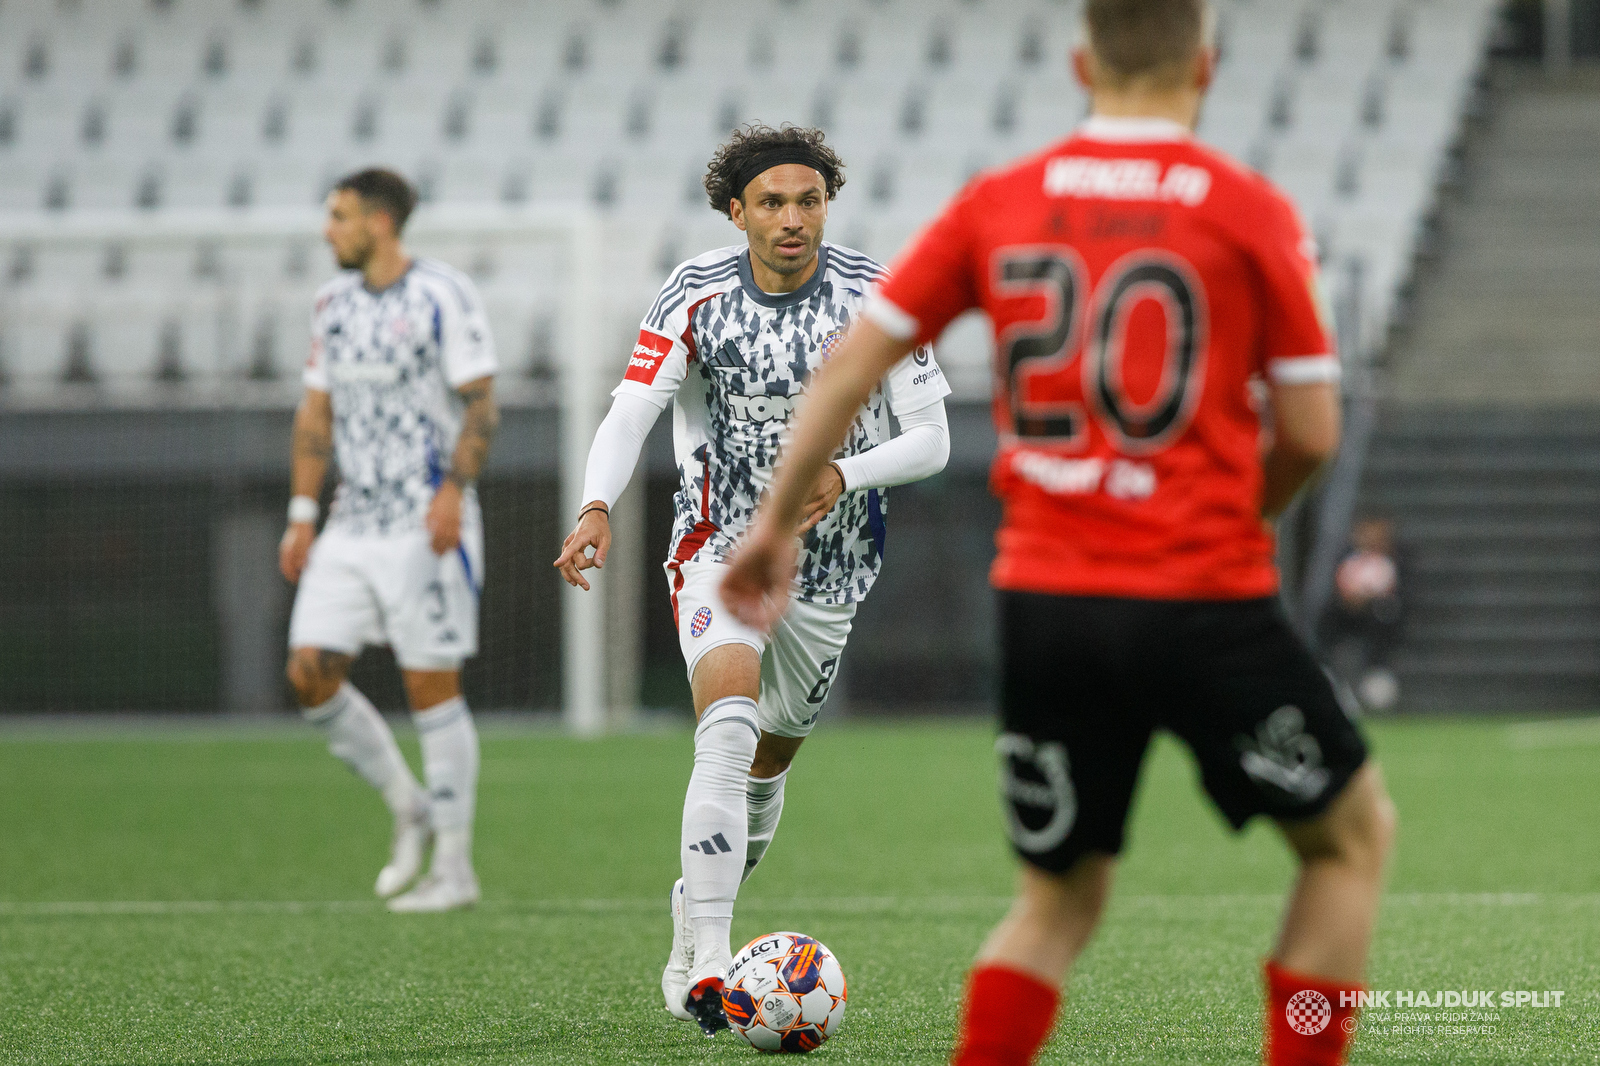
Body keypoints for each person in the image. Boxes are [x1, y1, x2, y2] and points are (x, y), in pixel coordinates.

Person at [720, 3, 1398, 1065]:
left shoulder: (999, 202)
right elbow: (1310, 430)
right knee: (1348, 843)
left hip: (1046, 603)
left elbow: (853, 361)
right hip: (1202, 594)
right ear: (1204, 68)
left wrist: (771, 524)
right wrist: (1245, 517)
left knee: (1055, 900)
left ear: (1081, 62)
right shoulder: (1249, 209)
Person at [553, 125, 952, 1037]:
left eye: (808, 200)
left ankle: (693, 900)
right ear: (736, 212)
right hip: (718, 544)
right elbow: (631, 411)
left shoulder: (875, 296)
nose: (792, 218)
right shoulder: (693, 294)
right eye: (771, 202)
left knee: (767, 770)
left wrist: (843, 476)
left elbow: (931, 440)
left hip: (834, 561)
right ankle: (706, 958)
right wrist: (595, 505)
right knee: (726, 732)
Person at [279, 168, 499, 914]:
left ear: (378, 222)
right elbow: (316, 414)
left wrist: (451, 494)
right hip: (350, 519)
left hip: (423, 522)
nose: (327, 229)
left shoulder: (442, 294)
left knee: (429, 685)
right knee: (310, 671)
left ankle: (455, 869)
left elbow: (481, 407)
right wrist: (303, 511)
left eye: (338, 215)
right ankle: (408, 803)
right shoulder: (332, 305)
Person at [1322, 517, 1405, 712]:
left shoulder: (1389, 561)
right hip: (1347, 614)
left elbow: (1390, 590)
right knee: (1326, 620)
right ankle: (1326, 669)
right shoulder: (1348, 560)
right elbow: (1341, 588)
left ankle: (1376, 668)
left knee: (1384, 613)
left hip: (1375, 617)